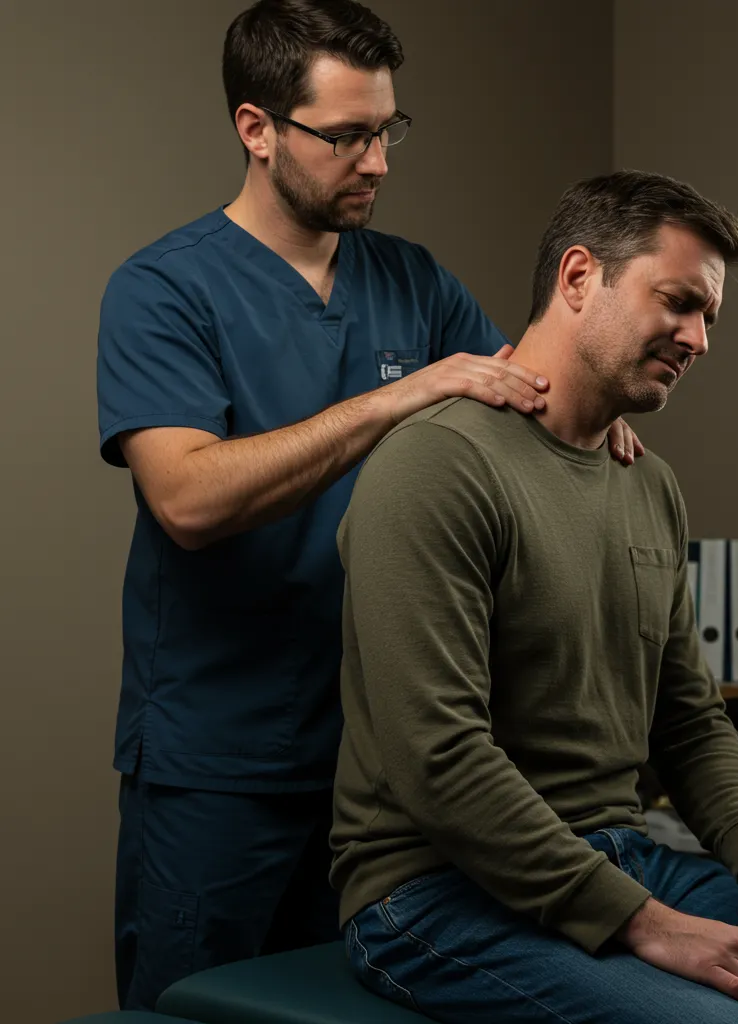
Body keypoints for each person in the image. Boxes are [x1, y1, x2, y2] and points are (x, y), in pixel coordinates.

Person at [96, 0, 642, 1011]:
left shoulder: (414, 281)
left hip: (382, 769)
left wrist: (596, 401)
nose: (377, 161)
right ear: (257, 129)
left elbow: (523, 386)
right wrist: (407, 390)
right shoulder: (163, 290)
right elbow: (186, 497)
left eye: (386, 131)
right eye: (345, 136)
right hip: (222, 759)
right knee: (197, 1008)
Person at [330, 170, 738, 1024]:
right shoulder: (436, 467)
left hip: (624, 853)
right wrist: (645, 924)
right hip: (435, 890)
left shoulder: (649, 484)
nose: (698, 338)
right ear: (579, 276)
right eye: (678, 302)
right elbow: (439, 762)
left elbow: (689, 717)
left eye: (710, 316)